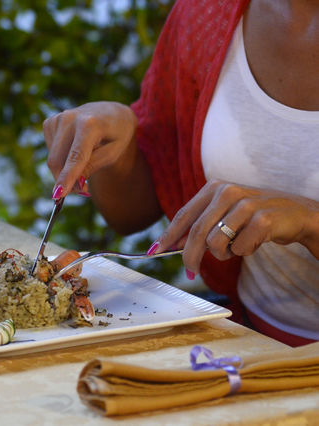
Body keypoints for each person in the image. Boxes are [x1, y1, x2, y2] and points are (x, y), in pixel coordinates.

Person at [43, 0, 319, 346]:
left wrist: (310, 223)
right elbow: (133, 214)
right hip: (254, 343)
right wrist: (119, 144)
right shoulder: (206, 11)